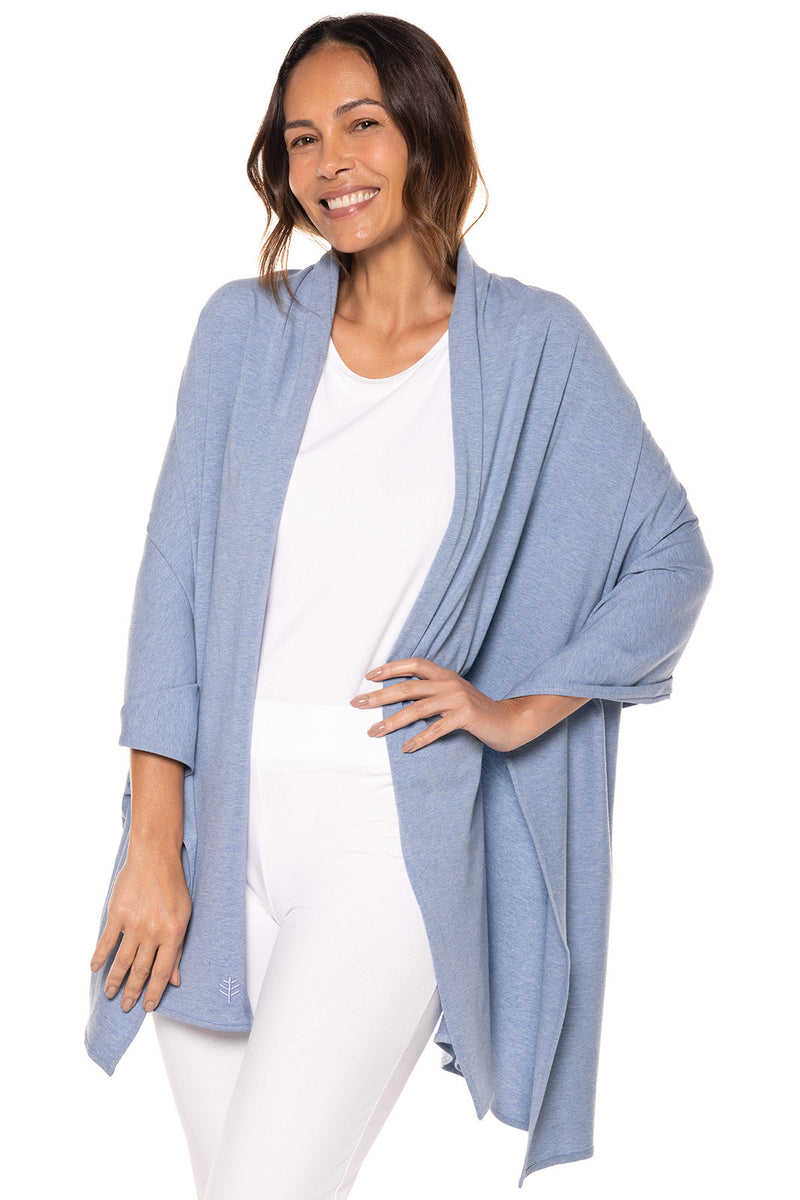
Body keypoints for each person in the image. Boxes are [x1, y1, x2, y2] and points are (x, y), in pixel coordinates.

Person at [86, 13, 714, 1198]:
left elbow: (666, 556)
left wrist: (520, 709)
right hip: (210, 837)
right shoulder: (241, 330)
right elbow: (169, 587)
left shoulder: (532, 348)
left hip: (385, 827)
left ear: (425, 130)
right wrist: (152, 846)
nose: (330, 163)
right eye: (301, 139)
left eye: (360, 125)